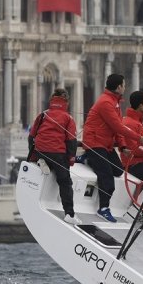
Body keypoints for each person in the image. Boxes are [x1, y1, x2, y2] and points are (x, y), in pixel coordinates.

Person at [82, 73, 127, 223]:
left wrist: (123, 146)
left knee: (118, 170)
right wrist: (139, 138)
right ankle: (103, 208)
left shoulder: (115, 102)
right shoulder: (106, 103)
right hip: (95, 143)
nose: (125, 87)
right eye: (124, 85)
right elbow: (119, 127)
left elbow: (117, 127)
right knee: (106, 175)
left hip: (105, 144)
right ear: (119, 87)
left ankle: (87, 159)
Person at [29, 88, 80, 221]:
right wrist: (71, 159)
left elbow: (31, 136)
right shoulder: (68, 118)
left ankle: (41, 160)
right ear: (66, 101)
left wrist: (34, 155)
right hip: (57, 152)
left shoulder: (43, 115)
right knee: (65, 182)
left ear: (52, 100)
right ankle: (69, 214)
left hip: (41, 150)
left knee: (49, 161)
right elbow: (71, 141)